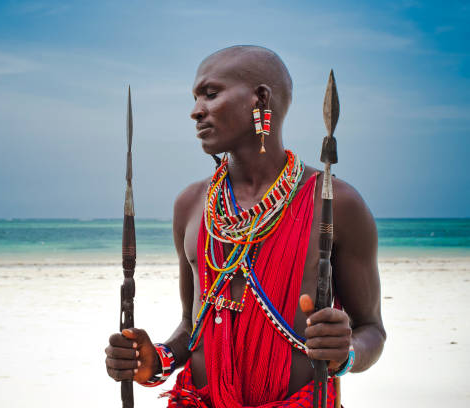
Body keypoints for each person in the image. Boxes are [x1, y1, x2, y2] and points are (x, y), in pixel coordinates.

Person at [105, 45, 386, 407]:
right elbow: (193, 328)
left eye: (210, 93)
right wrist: (155, 359)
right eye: (194, 97)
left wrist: (346, 352)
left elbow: (372, 330)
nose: (195, 111)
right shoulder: (191, 205)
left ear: (261, 98)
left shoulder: (336, 203)